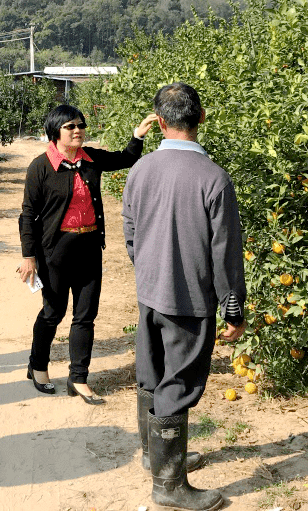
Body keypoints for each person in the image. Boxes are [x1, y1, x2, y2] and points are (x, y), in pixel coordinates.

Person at [121, 82, 246, 511]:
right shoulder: (213, 178)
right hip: (189, 299)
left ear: (159, 122)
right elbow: (225, 254)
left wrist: (149, 271)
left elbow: (131, 233)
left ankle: (154, 458)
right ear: (202, 118)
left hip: (150, 291)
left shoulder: (140, 171)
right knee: (178, 384)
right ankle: (169, 486)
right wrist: (234, 308)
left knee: (151, 374)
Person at [18, 104, 157, 403]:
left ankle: (78, 378)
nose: (78, 130)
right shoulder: (40, 167)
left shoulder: (91, 158)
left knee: (85, 316)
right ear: (55, 131)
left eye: (80, 125)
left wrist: (138, 136)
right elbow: (28, 215)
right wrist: (29, 256)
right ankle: (37, 366)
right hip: (54, 250)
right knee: (53, 313)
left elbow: (126, 158)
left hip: (89, 246)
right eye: (70, 126)